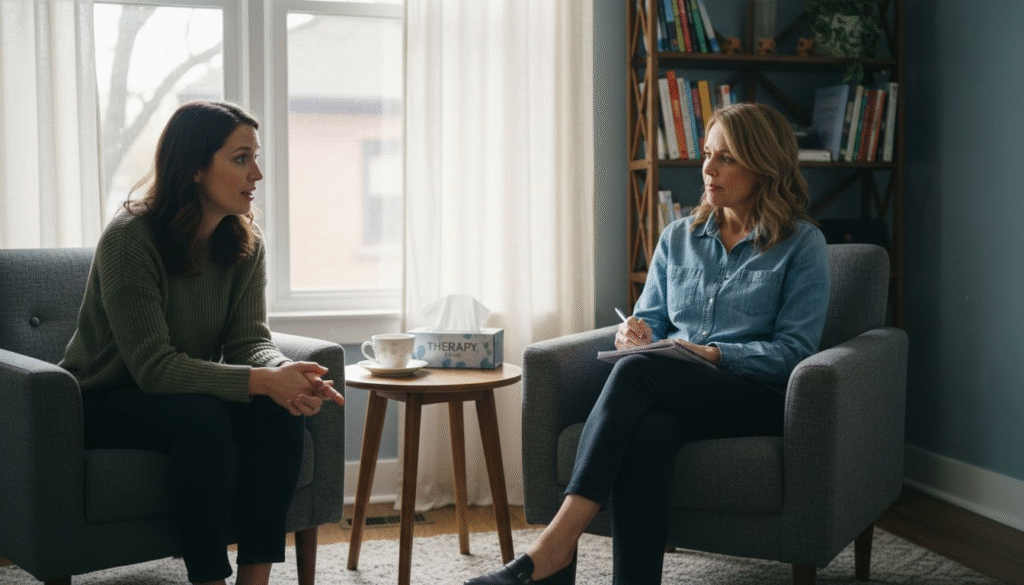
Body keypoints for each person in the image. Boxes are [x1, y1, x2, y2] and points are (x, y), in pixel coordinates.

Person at [465, 102, 831, 585]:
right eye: (706, 154)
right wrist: (634, 332)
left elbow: (794, 353)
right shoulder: (679, 236)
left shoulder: (801, 245)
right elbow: (652, 317)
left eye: (726, 158)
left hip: (753, 394)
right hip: (675, 391)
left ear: (764, 165)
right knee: (649, 430)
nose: (707, 168)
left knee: (638, 374)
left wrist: (716, 354)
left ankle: (553, 549)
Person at [59, 100, 345, 585]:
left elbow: (249, 341)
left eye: (256, 156)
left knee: (278, 408)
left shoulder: (246, 241)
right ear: (193, 167)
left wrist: (285, 379)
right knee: (202, 419)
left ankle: (255, 579)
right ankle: (209, 578)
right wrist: (262, 380)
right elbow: (154, 368)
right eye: (240, 158)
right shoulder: (131, 238)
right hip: (103, 398)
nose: (257, 173)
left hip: (179, 392)